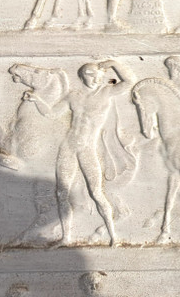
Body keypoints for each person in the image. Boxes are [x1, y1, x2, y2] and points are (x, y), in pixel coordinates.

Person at [27, 60, 135, 247]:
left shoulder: (106, 92)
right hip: (68, 147)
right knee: (62, 193)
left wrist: (114, 63)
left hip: (87, 148)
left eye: (95, 74)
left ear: (102, 76)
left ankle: (113, 236)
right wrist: (38, 101)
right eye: (87, 74)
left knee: (96, 192)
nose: (92, 78)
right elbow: (52, 114)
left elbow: (129, 82)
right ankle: (66, 237)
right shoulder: (73, 95)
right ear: (81, 76)